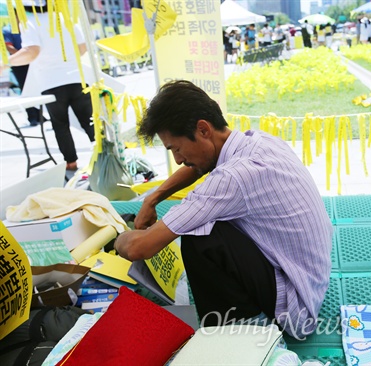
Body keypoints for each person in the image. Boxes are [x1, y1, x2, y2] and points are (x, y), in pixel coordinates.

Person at [114, 80, 333, 339]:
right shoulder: (258, 141)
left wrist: (118, 236)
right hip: (310, 282)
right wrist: (153, 199)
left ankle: (245, 339)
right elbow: (197, 166)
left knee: (200, 238)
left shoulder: (232, 180)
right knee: (206, 224)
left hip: (296, 310)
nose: (178, 159)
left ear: (203, 129)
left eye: (176, 148)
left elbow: (140, 248)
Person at [2, 2, 95, 171]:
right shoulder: (65, 18)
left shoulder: (30, 22)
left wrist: (5, 63)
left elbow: (32, 52)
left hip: (51, 82)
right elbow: (82, 48)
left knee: (60, 125)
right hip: (77, 77)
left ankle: (71, 163)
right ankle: (104, 156)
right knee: (89, 121)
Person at [2, 23, 43, 126]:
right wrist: (23, 55)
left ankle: (40, 115)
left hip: (32, 61)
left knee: (36, 87)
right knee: (25, 88)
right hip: (19, 63)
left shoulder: (28, 26)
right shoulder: (7, 30)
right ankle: (32, 117)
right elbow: (8, 46)